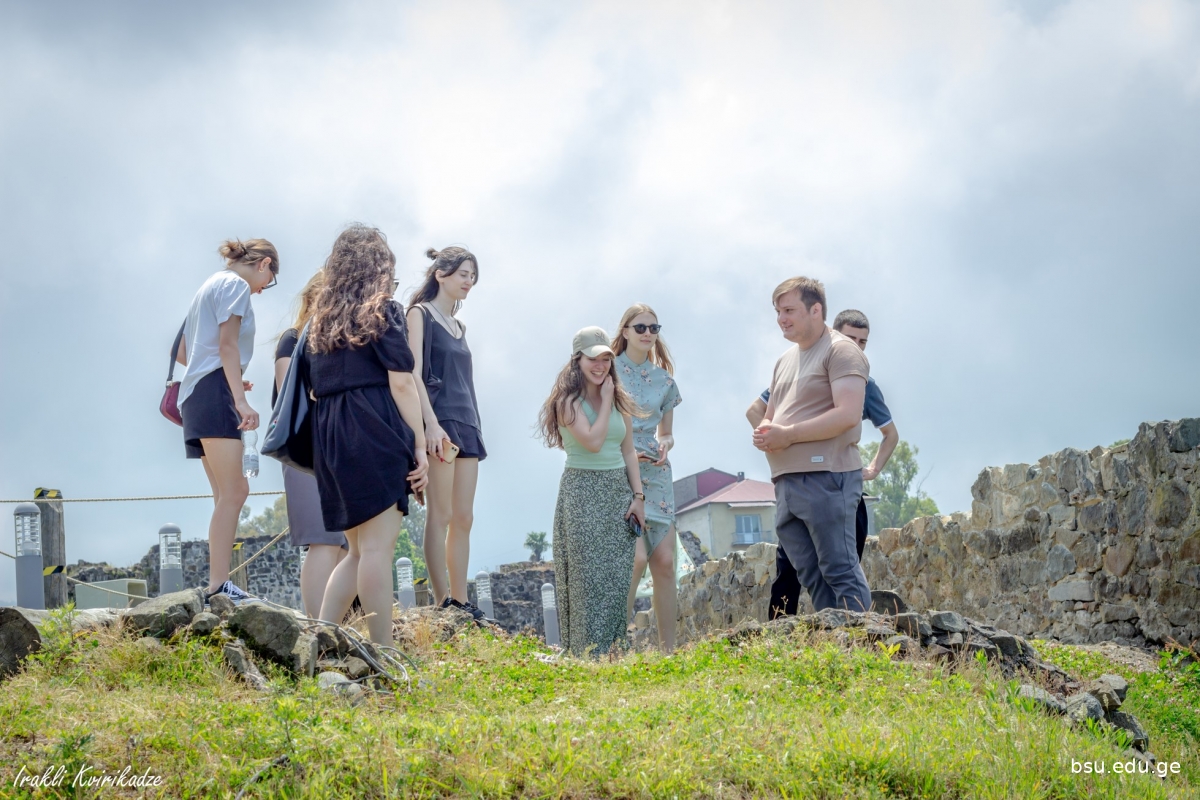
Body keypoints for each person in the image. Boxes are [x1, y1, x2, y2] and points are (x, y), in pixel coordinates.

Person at [304, 225, 429, 645]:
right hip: (374, 428)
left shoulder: (320, 322)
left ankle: (321, 640)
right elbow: (403, 383)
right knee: (377, 550)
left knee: (357, 551)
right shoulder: (383, 311)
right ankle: (384, 651)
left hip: (331, 436)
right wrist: (420, 444)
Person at [749, 308, 896, 616]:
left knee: (841, 567)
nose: (856, 346)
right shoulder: (803, 368)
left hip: (835, 479)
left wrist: (872, 469)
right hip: (794, 481)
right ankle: (803, 633)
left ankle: (858, 636)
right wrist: (775, 442)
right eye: (850, 338)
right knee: (798, 571)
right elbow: (755, 411)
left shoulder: (863, 383)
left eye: (863, 342)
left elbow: (889, 434)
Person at [176, 238, 279, 603]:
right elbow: (227, 345)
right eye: (268, 282)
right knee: (235, 491)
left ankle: (218, 586)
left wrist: (229, 376)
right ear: (264, 264)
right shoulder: (236, 286)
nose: (262, 290)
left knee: (225, 493)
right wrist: (239, 398)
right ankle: (219, 586)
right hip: (214, 393)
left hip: (196, 394)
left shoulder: (210, 285)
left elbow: (183, 351)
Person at [538, 327, 646, 656]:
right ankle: (586, 654)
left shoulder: (620, 400)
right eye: (593, 359)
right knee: (587, 578)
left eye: (606, 359)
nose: (600, 366)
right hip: (582, 491)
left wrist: (638, 497)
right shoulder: (567, 403)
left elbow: (628, 451)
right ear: (577, 360)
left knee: (620, 570)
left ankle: (612, 647)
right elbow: (595, 442)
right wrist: (608, 400)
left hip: (617, 490)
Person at [405, 247, 486, 619]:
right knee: (440, 514)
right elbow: (413, 373)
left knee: (464, 517)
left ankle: (461, 601)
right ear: (441, 274)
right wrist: (430, 424)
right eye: (463, 274)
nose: (469, 281)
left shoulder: (460, 326)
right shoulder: (419, 314)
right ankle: (443, 603)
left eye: (472, 276)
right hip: (440, 423)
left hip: (467, 423)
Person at [274, 271, 348, 619]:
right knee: (324, 541)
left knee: (345, 545)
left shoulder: (334, 344)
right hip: (306, 452)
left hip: (334, 450)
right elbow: (289, 392)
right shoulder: (292, 340)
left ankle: (337, 624)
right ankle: (320, 625)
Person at [611, 304, 682, 653]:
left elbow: (666, 433)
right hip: (620, 467)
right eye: (640, 327)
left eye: (654, 328)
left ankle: (669, 653)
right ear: (625, 331)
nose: (648, 334)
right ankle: (614, 645)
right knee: (636, 559)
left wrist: (665, 444)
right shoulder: (607, 372)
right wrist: (623, 453)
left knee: (665, 563)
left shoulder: (665, 381)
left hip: (656, 470)